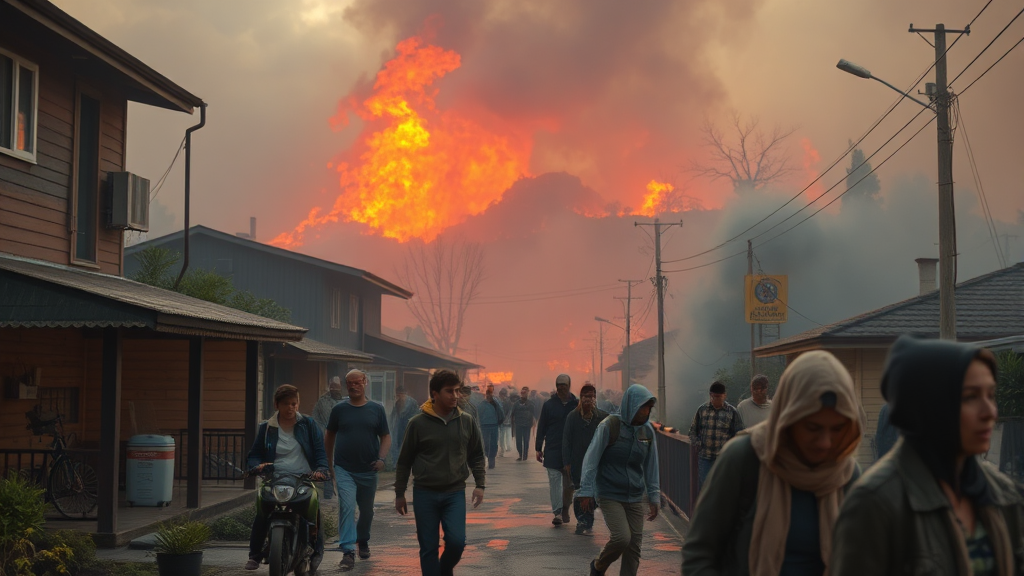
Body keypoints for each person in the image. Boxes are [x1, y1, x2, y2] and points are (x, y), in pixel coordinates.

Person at [831, 336, 1024, 575]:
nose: (990, 412)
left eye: (991, 395)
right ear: (930, 405)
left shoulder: (1003, 493)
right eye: (970, 397)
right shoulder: (875, 504)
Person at [681, 350, 865, 576]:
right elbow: (699, 554)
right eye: (812, 427)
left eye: (837, 429)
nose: (825, 443)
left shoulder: (846, 476)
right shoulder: (744, 459)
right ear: (789, 416)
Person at [395, 369, 486, 576]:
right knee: (428, 547)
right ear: (435, 394)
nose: (455, 396)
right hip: (425, 493)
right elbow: (404, 461)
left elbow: (477, 455)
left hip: (454, 493)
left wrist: (480, 485)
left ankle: (444, 570)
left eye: (457, 391)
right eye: (449, 391)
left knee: (457, 542)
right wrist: (400, 493)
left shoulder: (466, 421)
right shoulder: (417, 423)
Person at [244, 385, 329, 572]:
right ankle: (255, 555)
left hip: (303, 478)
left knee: (313, 510)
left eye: (294, 403)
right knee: (262, 509)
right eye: (286, 404)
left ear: (298, 404)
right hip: (274, 478)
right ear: (276, 404)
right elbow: (255, 454)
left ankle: (316, 552)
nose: (291, 408)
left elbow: (320, 452)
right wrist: (256, 466)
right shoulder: (266, 428)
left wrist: (322, 470)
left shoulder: (308, 424)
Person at [577, 384, 660, 576]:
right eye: (643, 407)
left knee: (634, 548)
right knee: (622, 538)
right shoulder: (609, 425)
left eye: (649, 408)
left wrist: (654, 496)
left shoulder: (647, 431)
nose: (647, 412)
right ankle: (598, 566)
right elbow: (591, 459)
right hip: (609, 493)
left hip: (635, 495)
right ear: (632, 406)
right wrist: (586, 490)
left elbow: (651, 465)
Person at [324, 369, 391, 571]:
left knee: (367, 511)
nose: (353, 386)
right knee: (346, 506)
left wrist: (381, 458)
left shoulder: (376, 409)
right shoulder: (339, 409)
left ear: (365, 382)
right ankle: (347, 551)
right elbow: (329, 435)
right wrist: (329, 464)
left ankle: (363, 540)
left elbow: (385, 436)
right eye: (349, 383)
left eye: (357, 382)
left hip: (368, 470)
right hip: (344, 468)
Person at [562, 383, 609, 535]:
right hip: (577, 461)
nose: (589, 399)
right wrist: (567, 462)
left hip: (597, 463)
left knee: (593, 491)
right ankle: (582, 521)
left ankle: (587, 520)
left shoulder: (603, 418)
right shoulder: (572, 417)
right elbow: (566, 441)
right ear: (581, 398)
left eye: (591, 396)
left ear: (595, 398)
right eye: (586, 396)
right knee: (579, 490)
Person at [536, 373, 579, 526]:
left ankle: (565, 507)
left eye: (564, 385)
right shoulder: (549, 405)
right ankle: (558, 512)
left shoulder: (576, 404)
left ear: (569, 386)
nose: (561, 388)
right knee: (555, 482)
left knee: (569, 485)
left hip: (571, 451)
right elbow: (542, 426)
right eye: (559, 385)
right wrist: (538, 448)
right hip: (553, 448)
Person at [688, 381, 744, 493]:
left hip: (723, 458)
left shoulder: (732, 412)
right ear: (710, 395)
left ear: (724, 396)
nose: (716, 400)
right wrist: (698, 443)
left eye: (719, 397)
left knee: (723, 488)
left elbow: (739, 433)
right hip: (705, 457)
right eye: (714, 397)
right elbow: (692, 431)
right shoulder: (702, 410)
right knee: (705, 488)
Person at [311, 376, 345, 499]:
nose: (334, 389)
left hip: (340, 438)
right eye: (332, 386)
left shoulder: (345, 400)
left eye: (337, 386)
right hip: (326, 436)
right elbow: (324, 421)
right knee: (329, 462)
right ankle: (328, 491)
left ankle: (341, 489)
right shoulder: (323, 401)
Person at [476, 384, 506, 469]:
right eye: (488, 394)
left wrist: (500, 421)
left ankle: (491, 459)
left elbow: (501, 412)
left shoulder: (496, 403)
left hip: (494, 426)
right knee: (486, 443)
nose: (489, 395)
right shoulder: (482, 404)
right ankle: (488, 456)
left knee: (493, 443)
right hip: (484, 426)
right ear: (486, 395)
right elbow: (478, 415)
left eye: (491, 393)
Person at [389, 385, 420, 465]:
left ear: (404, 393)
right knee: (397, 444)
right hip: (399, 428)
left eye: (400, 395)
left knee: (408, 445)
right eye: (397, 395)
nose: (399, 397)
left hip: (409, 427)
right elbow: (394, 416)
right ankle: (396, 463)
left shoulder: (412, 402)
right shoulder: (397, 403)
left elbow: (416, 415)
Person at [511, 386, 536, 461]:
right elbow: (512, 414)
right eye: (522, 393)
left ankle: (525, 455)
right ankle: (520, 454)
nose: (524, 395)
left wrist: (532, 422)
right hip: (518, 424)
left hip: (527, 425)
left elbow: (533, 413)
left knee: (526, 440)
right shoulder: (516, 404)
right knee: (518, 441)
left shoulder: (531, 403)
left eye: (525, 393)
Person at [497, 387, 513, 458]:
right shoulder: (506, 402)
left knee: (502, 436)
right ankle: (506, 448)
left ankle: (503, 450)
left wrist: (506, 419)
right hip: (504, 421)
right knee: (505, 435)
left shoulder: (505, 402)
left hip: (504, 421)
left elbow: (509, 411)